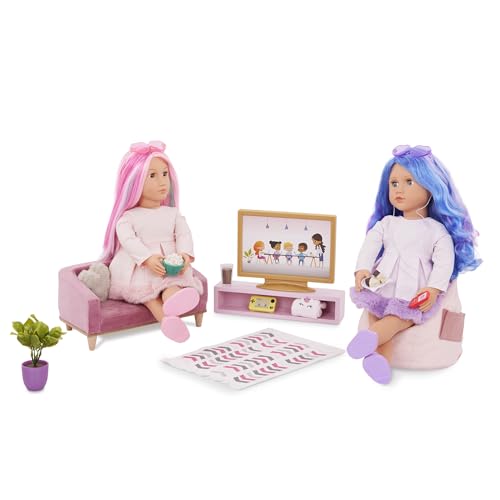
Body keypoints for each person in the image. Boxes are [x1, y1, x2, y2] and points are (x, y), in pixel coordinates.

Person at [347, 145, 481, 384]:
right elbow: (369, 246)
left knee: (399, 319)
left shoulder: (436, 230)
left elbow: (444, 263)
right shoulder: (387, 223)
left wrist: (433, 288)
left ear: (431, 187)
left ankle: (371, 338)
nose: (399, 189)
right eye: (394, 183)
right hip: (383, 284)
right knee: (376, 313)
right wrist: (362, 269)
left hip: (413, 290)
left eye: (409, 182)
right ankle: (379, 360)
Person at [101, 141, 202, 343]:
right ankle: (166, 317)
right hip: (140, 267)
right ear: (134, 182)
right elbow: (128, 240)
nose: (162, 182)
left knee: (170, 284)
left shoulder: (172, 213)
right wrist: (147, 258)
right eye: (153, 176)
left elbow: (184, 234)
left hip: (169, 266)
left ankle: (173, 305)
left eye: (165, 174)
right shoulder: (128, 217)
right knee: (148, 294)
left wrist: (184, 255)